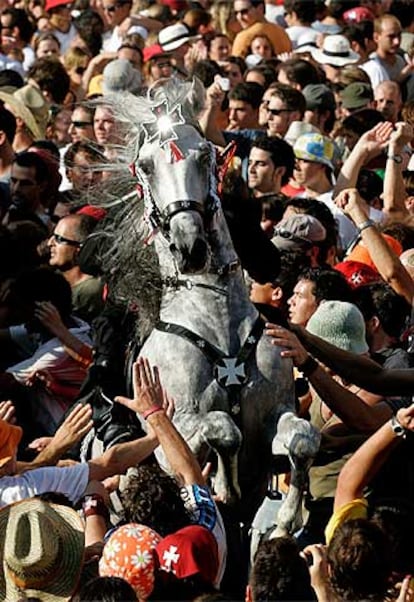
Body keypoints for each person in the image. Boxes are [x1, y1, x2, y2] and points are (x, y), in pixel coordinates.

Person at [48, 213, 105, 323]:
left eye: (58, 239)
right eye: (52, 236)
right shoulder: (52, 280)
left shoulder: (91, 291)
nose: (50, 243)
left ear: (80, 248)